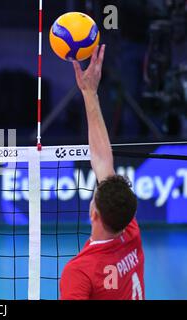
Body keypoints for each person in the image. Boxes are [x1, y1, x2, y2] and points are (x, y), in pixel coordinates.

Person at [59, 45, 145, 300]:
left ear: (94, 213)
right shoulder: (129, 232)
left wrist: (89, 92)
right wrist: (89, 92)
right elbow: (102, 161)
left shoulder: (80, 272)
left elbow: (103, 165)